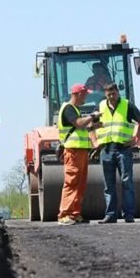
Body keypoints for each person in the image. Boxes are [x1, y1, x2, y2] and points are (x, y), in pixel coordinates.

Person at [95, 83, 140, 224]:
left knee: (127, 182)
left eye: (114, 93)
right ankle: (111, 215)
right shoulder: (100, 106)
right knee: (108, 185)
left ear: (118, 92)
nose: (112, 96)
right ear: (105, 94)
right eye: (109, 94)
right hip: (106, 150)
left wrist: (136, 139)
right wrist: (94, 141)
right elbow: (91, 125)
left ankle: (128, 214)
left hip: (123, 149)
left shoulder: (127, 105)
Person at [56, 83, 102, 225]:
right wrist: (92, 116)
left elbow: (81, 128)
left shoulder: (75, 109)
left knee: (80, 184)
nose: (87, 96)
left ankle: (75, 214)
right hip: (73, 151)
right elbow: (78, 124)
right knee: (71, 183)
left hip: (80, 151)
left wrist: (95, 126)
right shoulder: (68, 108)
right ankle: (64, 214)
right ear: (77, 94)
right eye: (85, 94)